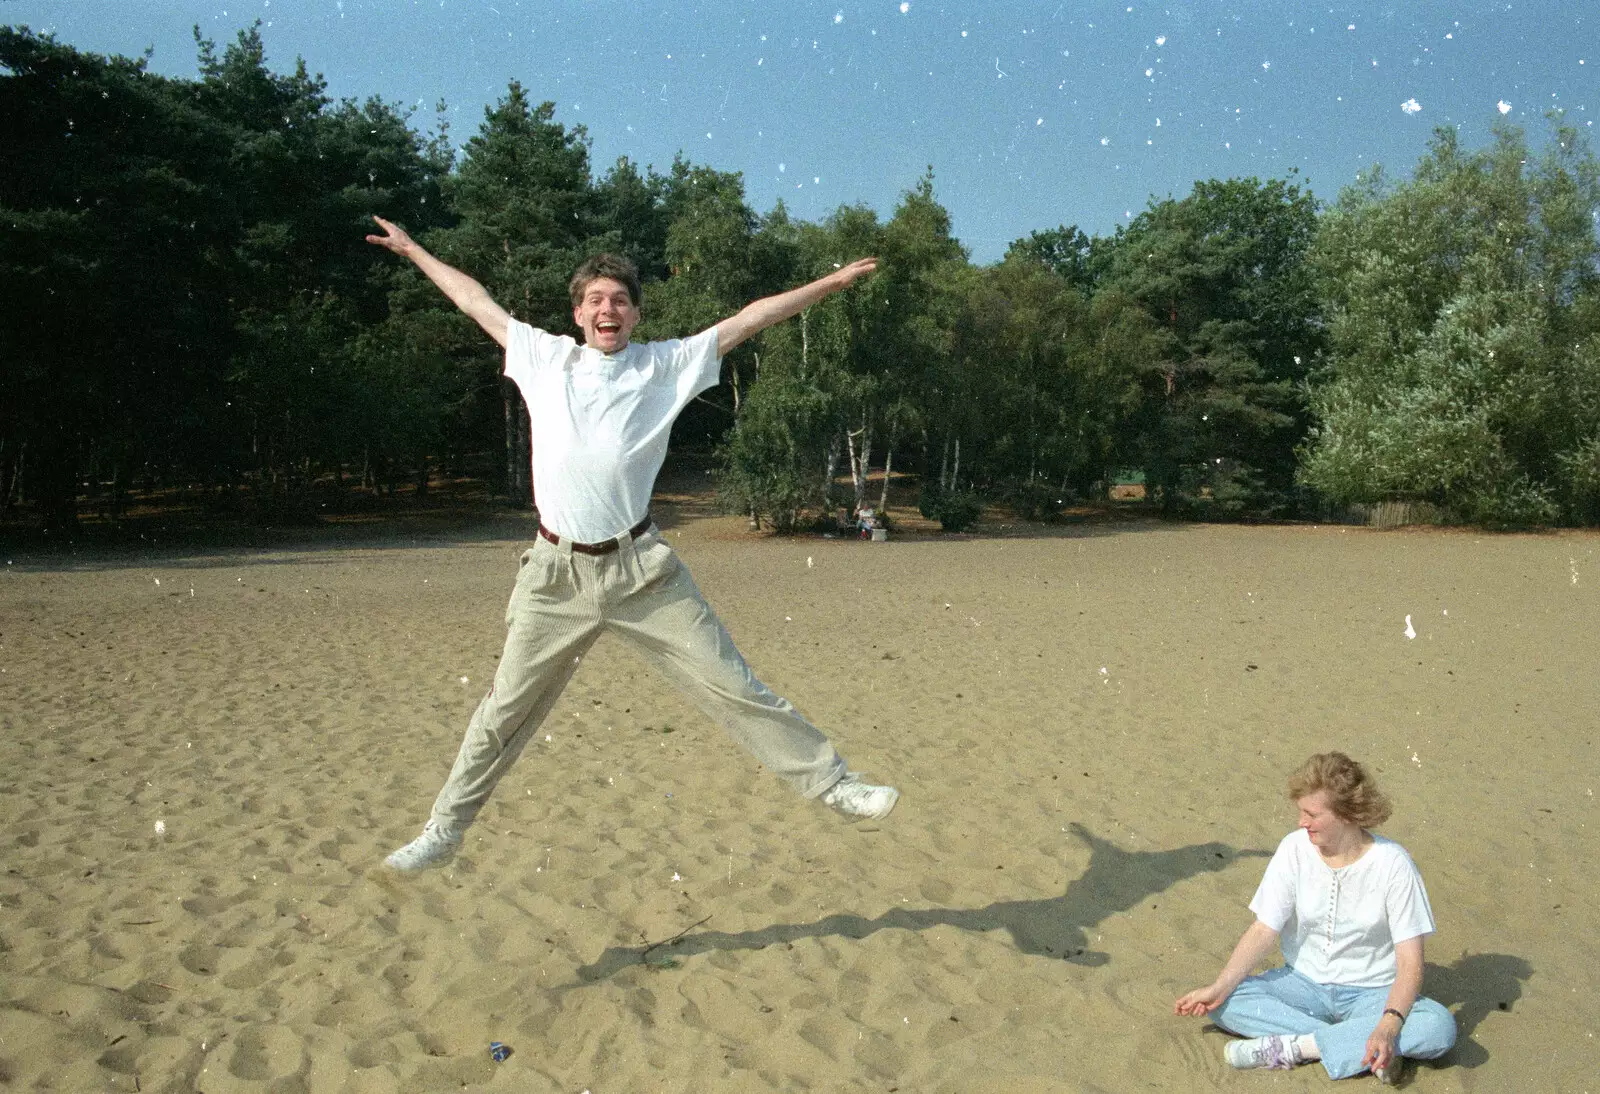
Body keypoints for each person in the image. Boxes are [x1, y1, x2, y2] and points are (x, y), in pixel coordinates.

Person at [365, 216, 899, 872]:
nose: (606, 308)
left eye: (618, 299)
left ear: (635, 314)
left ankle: (834, 784)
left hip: (642, 572)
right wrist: (413, 248)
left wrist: (834, 281)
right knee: (504, 708)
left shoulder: (664, 366)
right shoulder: (543, 357)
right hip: (555, 576)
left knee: (731, 684)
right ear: (578, 314)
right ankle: (444, 830)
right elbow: (473, 299)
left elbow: (751, 319)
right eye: (594, 299)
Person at [1174, 752, 1456, 1083]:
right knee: (1225, 1003)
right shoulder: (1293, 849)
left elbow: (1410, 964)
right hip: (1301, 984)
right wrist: (1220, 985)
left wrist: (1389, 1024)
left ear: (1348, 815)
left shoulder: (1393, 864)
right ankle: (1363, 1049)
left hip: (1373, 992)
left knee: (1438, 1027)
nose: (1301, 822)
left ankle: (1297, 1047)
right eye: (1300, 812)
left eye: (1312, 814)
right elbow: (1264, 929)